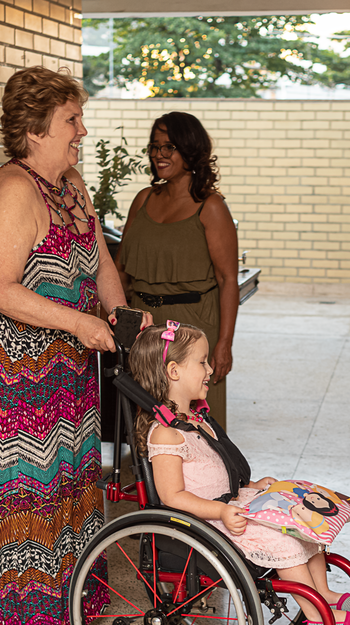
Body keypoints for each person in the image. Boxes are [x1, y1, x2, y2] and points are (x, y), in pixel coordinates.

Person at [0, 67, 149, 625]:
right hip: (16, 378)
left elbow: (98, 262)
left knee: (74, 489)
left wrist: (122, 318)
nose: (82, 130)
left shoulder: (70, 183)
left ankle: (68, 606)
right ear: (33, 129)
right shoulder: (15, 189)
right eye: (72, 120)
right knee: (30, 498)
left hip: (67, 372)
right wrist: (77, 324)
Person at [131, 322, 350, 625]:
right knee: (285, 539)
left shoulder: (193, 421)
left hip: (230, 504)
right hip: (207, 523)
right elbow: (172, 496)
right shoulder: (165, 433)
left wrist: (253, 486)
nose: (209, 368)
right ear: (173, 371)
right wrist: (220, 512)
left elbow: (213, 473)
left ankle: (323, 594)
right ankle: (315, 617)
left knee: (301, 522)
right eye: (202, 361)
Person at [116, 112, 239, 429]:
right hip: (144, 325)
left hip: (193, 325)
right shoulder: (143, 200)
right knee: (145, 418)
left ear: (190, 150)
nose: (159, 154)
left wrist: (224, 343)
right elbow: (121, 271)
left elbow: (228, 280)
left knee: (194, 420)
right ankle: (150, 479)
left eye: (169, 146)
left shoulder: (210, 207)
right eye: (154, 146)